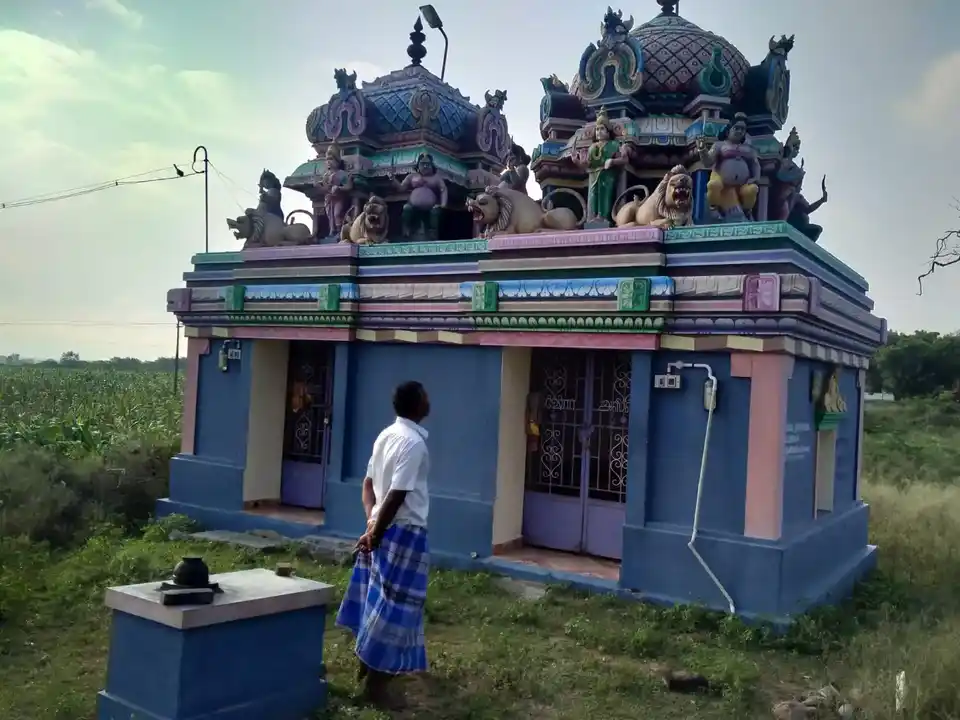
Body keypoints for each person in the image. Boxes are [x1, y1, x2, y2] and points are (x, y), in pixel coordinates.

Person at [336, 380, 431, 706]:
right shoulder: (412, 443)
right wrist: (375, 532)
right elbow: (397, 494)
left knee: (377, 602)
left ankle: (368, 665)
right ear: (418, 404)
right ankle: (376, 686)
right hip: (403, 533)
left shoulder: (385, 436)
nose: (429, 403)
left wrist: (371, 522)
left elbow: (367, 486)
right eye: (426, 398)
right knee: (399, 610)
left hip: (382, 528)